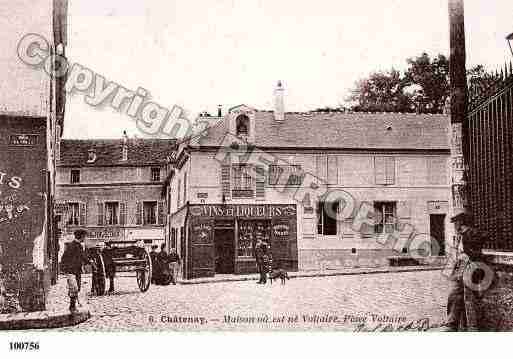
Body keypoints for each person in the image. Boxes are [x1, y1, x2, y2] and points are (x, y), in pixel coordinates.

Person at [446, 209, 486, 331]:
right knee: (453, 295)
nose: (454, 225)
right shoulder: (459, 236)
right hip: (459, 268)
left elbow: (478, 253)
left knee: (469, 299)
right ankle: (452, 324)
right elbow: (455, 253)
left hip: (471, 267)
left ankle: (472, 328)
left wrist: (467, 255)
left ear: (461, 222)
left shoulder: (472, 233)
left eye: (456, 222)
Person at [60, 229, 90, 312]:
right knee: (74, 288)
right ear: (81, 236)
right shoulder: (72, 245)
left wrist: (87, 261)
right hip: (71, 270)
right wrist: (65, 269)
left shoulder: (79, 245)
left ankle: (73, 305)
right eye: (84, 236)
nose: (85, 238)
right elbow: (64, 258)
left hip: (77, 270)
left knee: (77, 288)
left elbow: (82, 257)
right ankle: (72, 306)